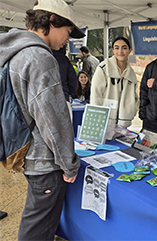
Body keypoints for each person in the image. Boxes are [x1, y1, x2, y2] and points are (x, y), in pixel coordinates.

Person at [0, 0, 83, 240]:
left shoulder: (13, 51)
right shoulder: (39, 58)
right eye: (68, 32)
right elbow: (53, 121)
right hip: (43, 160)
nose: (68, 39)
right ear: (51, 22)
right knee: (38, 228)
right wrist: (69, 164)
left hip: (23, 150)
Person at [91, 36, 138, 137]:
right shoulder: (103, 68)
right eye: (116, 48)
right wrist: (96, 119)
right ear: (113, 50)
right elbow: (95, 95)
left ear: (129, 50)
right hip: (104, 123)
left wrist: (132, 111)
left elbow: (134, 96)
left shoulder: (131, 73)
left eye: (124, 48)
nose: (120, 51)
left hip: (122, 126)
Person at [52, 45, 78, 118]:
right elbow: (73, 81)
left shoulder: (40, 56)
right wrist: (67, 91)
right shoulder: (64, 59)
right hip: (63, 97)